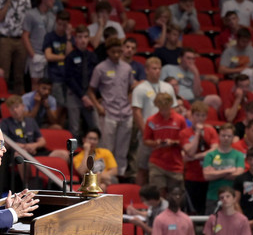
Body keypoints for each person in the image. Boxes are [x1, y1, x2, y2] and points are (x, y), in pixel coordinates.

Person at [88, 37, 134, 176]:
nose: (116, 55)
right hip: (108, 112)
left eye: (119, 52)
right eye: (113, 52)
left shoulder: (127, 67)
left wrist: (131, 104)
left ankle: (120, 176)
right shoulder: (100, 68)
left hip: (125, 112)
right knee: (107, 148)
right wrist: (98, 106)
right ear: (108, 51)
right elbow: (91, 90)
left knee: (122, 149)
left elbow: (131, 88)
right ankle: (104, 177)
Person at [132, 57, 177, 185]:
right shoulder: (140, 88)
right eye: (154, 68)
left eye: (159, 68)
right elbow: (137, 112)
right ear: (146, 70)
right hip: (148, 132)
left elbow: (174, 109)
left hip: (166, 133)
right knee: (143, 167)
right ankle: (139, 195)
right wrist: (146, 131)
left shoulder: (167, 87)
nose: (157, 71)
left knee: (165, 167)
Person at [0, 94, 69, 160]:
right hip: (18, 151)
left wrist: (34, 146)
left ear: (23, 107)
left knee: (64, 154)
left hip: (35, 150)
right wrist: (24, 147)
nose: (15, 110)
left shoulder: (31, 121)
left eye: (17, 107)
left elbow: (42, 141)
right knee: (20, 155)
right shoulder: (5, 122)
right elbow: (4, 143)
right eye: (12, 109)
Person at [144, 92, 187, 197]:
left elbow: (185, 140)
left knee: (175, 195)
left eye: (166, 107)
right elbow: (146, 140)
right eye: (160, 108)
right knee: (158, 193)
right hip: (157, 162)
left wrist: (173, 142)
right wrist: (156, 143)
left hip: (175, 163)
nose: (163, 111)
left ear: (170, 105)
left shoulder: (180, 120)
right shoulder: (151, 121)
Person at [180, 101, 219, 214]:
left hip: (208, 176)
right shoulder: (185, 133)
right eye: (197, 115)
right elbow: (190, 151)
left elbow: (215, 150)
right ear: (191, 116)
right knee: (193, 209)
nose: (200, 118)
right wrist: (197, 132)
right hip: (192, 177)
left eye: (203, 115)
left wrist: (196, 156)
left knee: (207, 209)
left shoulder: (210, 130)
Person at [63, 25, 98, 139]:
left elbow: (96, 77)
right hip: (74, 93)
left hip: (89, 93)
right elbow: (69, 78)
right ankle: (75, 152)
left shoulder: (92, 56)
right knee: (75, 127)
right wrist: (82, 96)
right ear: (75, 39)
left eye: (85, 37)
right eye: (80, 37)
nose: (83, 40)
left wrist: (90, 95)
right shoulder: (71, 57)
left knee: (94, 124)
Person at [203, 123, 245, 214]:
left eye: (229, 136)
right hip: (213, 197)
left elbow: (238, 175)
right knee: (213, 226)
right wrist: (228, 171)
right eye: (223, 135)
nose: (226, 138)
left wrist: (216, 173)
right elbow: (207, 176)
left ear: (233, 137)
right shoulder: (210, 155)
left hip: (232, 198)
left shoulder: (239, 155)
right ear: (219, 136)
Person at [22, 0, 57, 89]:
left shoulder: (53, 16)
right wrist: (33, 55)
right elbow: (25, 36)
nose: (53, 1)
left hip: (48, 55)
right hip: (36, 54)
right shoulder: (31, 14)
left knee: (47, 84)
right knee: (36, 84)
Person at [43, 10, 72, 110]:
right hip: (54, 76)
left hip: (67, 77)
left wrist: (68, 37)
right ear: (56, 22)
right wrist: (65, 57)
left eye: (64, 25)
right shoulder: (50, 36)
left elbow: (71, 54)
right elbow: (49, 56)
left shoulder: (69, 38)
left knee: (66, 106)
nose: (61, 27)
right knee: (58, 104)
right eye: (59, 24)